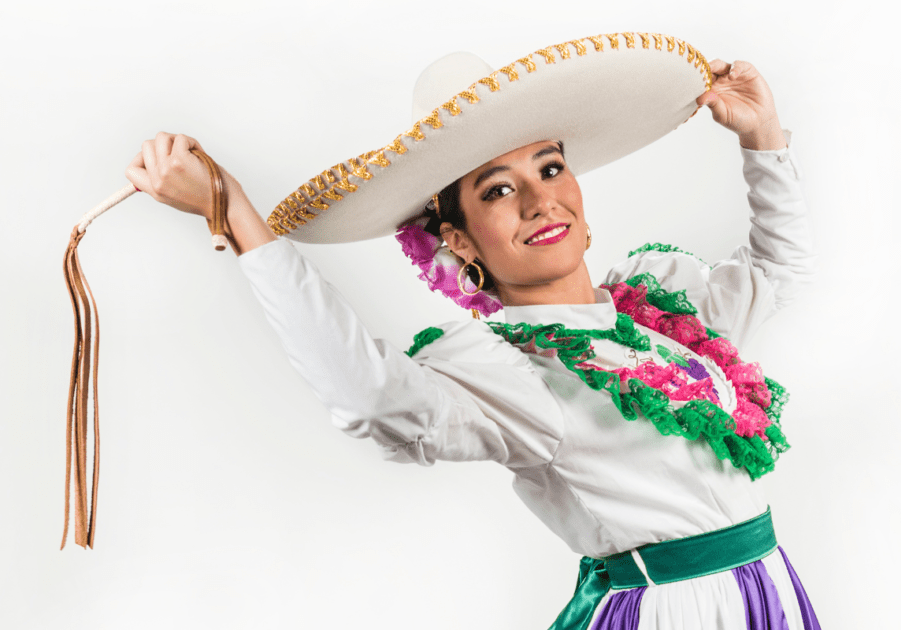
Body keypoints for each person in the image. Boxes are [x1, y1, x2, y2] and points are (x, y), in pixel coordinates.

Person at [126, 33, 818, 630]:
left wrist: (761, 137)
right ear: (459, 241)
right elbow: (371, 399)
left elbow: (776, 269)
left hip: (768, 588)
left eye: (549, 168)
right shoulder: (516, 375)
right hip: (672, 612)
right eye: (497, 189)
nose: (541, 199)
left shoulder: (656, 318)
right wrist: (237, 214)